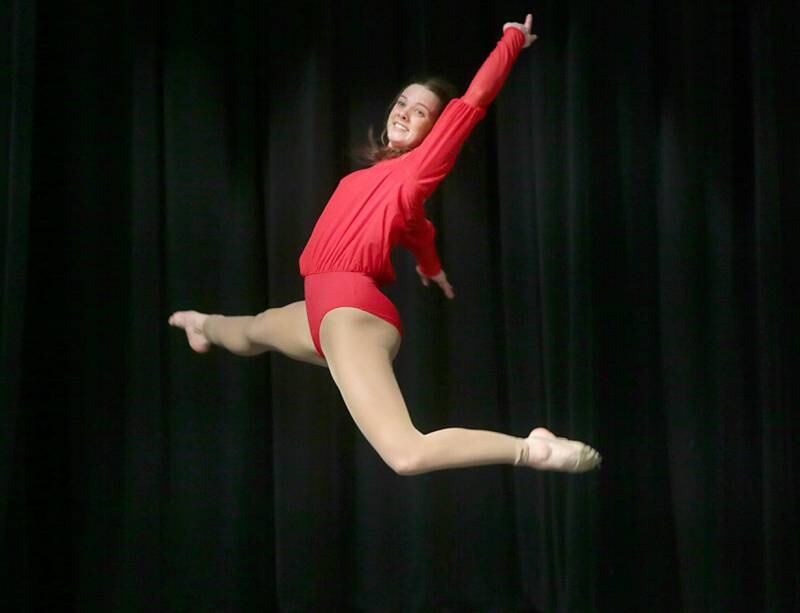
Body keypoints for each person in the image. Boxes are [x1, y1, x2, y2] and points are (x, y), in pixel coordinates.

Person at [169, 14, 601, 475]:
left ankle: (532, 448)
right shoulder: (380, 181)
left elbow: (476, 98)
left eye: (420, 112)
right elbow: (418, 230)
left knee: (405, 454)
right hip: (322, 310)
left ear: (435, 132)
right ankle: (204, 325)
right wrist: (430, 267)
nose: (403, 112)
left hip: (351, 314)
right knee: (255, 331)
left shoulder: (419, 167)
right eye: (402, 103)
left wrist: (512, 39)